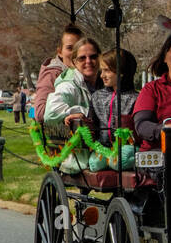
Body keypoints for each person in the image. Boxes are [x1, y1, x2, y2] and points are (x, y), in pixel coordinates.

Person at [44, 37, 104, 173]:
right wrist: (79, 112)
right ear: (74, 62)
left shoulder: (106, 79)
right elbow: (50, 113)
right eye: (82, 58)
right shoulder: (69, 84)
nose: (88, 61)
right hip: (78, 153)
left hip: (104, 143)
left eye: (93, 57)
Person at [87, 48, 140, 172]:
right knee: (95, 164)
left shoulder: (135, 98)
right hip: (103, 147)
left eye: (107, 70)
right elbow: (92, 123)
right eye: (101, 70)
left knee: (119, 161)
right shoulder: (97, 97)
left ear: (121, 72)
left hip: (127, 148)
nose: (102, 76)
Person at [33, 23, 84, 121]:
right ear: (60, 52)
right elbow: (40, 113)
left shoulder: (86, 72)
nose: (75, 53)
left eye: (79, 47)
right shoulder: (52, 74)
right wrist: (75, 113)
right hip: (62, 134)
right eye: (70, 48)